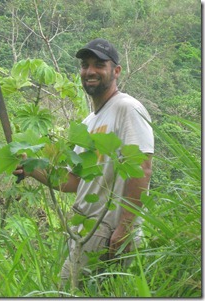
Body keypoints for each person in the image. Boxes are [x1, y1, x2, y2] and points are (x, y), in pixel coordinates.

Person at [13, 38, 154, 285]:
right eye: (85, 65)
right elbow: (73, 182)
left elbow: (142, 168)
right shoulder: (89, 122)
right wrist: (31, 166)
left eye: (99, 65)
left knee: (66, 291)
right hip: (87, 231)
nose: (90, 71)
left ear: (116, 71)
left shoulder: (127, 108)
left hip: (109, 231)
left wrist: (125, 228)